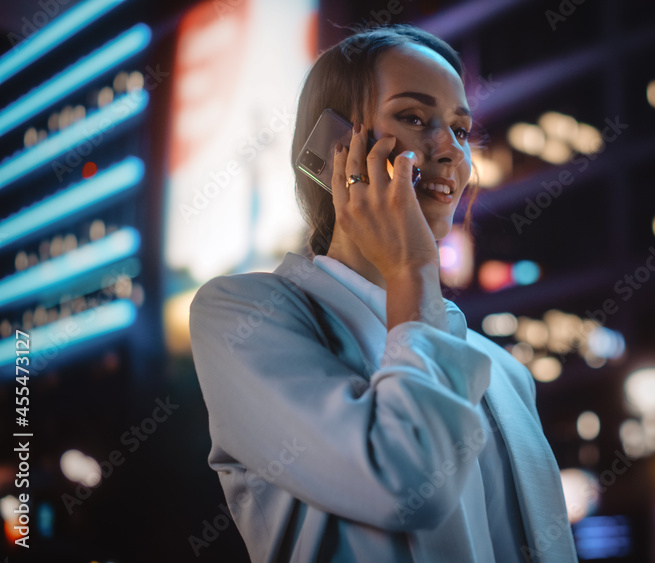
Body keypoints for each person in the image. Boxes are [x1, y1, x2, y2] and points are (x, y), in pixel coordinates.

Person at [189, 23, 578, 563]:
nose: (450, 152)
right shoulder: (241, 314)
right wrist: (412, 267)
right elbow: (407, 483)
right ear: (334, 150)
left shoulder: (502, 370)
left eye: (462, 130)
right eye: (415, 118)